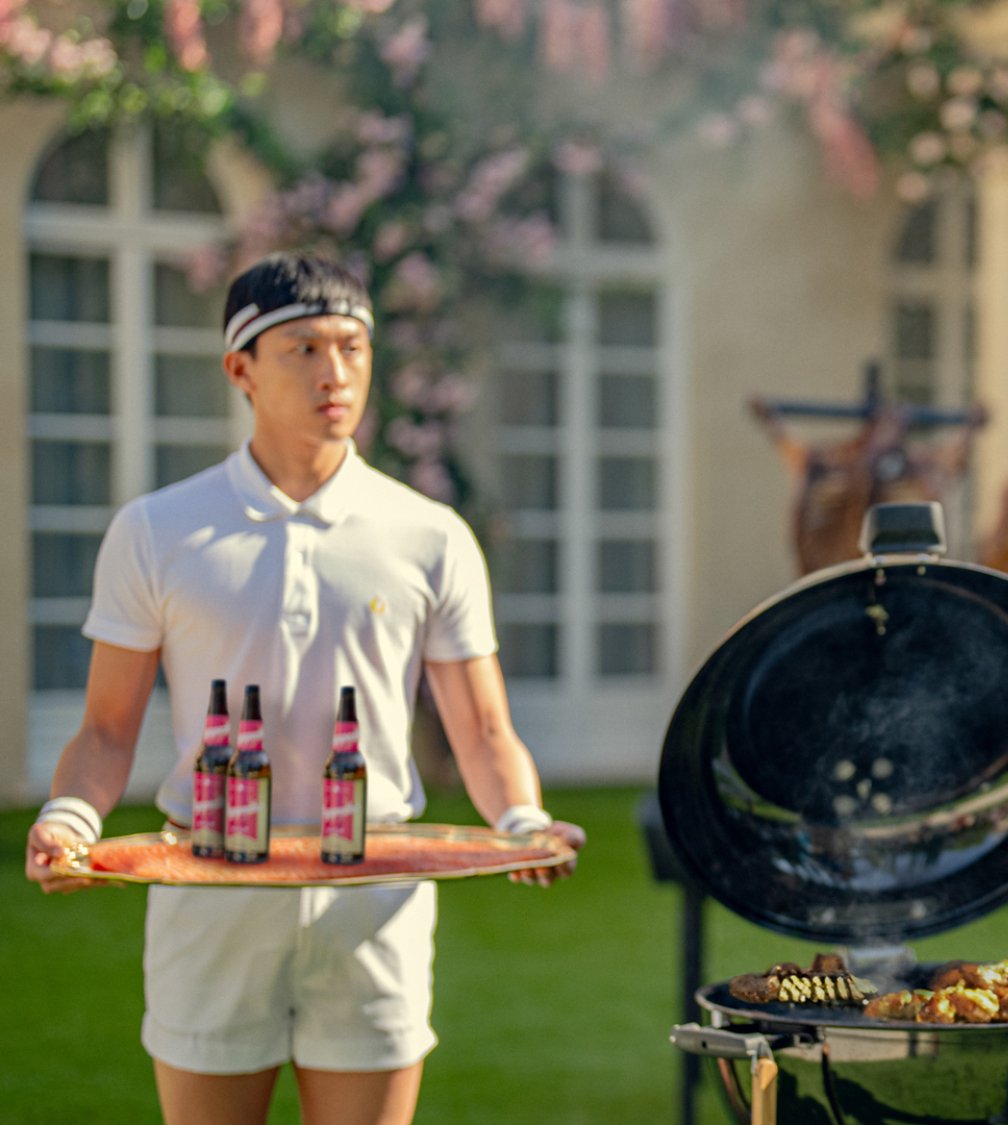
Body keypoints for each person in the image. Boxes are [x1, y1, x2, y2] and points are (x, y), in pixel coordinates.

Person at [23, 252, 589, 1125]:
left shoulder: (429, 534)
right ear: (240, 368)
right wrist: (68, 820)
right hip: (209, 890)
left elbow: (481, 728)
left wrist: (522, 823)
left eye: (352, 347)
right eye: (304, 348)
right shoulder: (156, 530)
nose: (336, 372)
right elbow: (106, 729)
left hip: (374, 898)